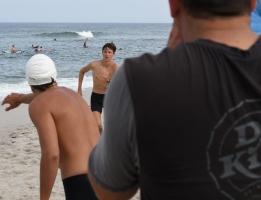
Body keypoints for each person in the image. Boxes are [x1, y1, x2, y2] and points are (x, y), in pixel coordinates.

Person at [88, 0, 261, 199]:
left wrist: (169, 61)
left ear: (173, 6)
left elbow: (110, 192)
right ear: (253, 3)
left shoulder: (139, 79)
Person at [1, 54, 100, 200]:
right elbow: (47, 96)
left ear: (28, 79)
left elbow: (52, 155)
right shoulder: (72, 94)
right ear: (53, 74)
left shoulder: (39, 105)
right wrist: (21, 98)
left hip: (82, 182)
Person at [77, 42, 119, 133]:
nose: (107, 54)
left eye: (109, 52)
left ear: (113, 54)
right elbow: (81, 72)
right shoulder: (94, 65)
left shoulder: (115, 67)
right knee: (97, 125)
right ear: (102, 52)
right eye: (105, 51)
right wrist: (79, 89)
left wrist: (111, 81)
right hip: (96, 97)